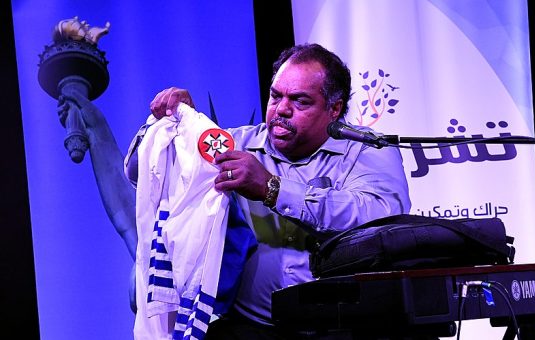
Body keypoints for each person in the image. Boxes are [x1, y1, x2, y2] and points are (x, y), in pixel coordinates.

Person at [127, 43, 412, 339]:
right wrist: (172, 126)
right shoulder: (233, 145)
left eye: (300, 101)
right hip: (250, 329)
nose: (281, 110)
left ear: (334, 108)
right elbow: (143, 173)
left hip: (347, 329)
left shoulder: (368, 149)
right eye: (276, 96)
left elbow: (380, 216)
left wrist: (271, 188)